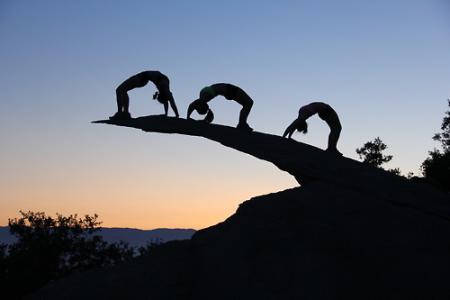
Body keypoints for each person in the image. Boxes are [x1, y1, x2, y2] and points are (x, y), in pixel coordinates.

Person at [110, 71, 179, 120]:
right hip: (143, 79)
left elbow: (169, 101)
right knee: (122, 90)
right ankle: (125, 113)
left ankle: (121, 113)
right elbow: (169, 101)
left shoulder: (164, 88)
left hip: (141, 78)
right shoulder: (165, 90)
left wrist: (174, 115)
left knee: (119, 90)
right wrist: (173, 115)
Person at [187, 83, 254, 131]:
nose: (207, 109)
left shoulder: (204, 98)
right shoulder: (204, 97)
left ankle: (242, 124)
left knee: (248, 103)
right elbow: (193, 106)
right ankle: (242, 124)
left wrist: (188, 117)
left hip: (228, 89)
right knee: (249, 103)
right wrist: (189, 117)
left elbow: (192, 105)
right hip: (228, 89)